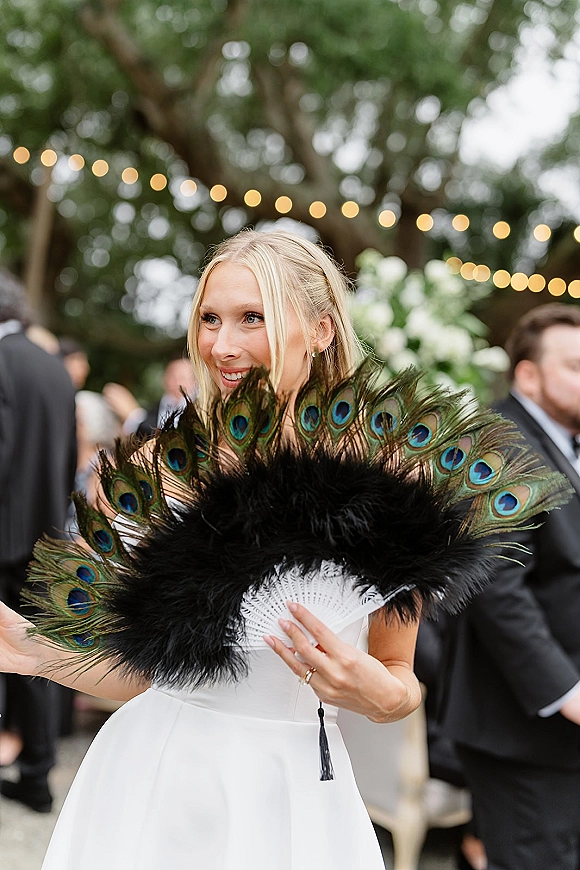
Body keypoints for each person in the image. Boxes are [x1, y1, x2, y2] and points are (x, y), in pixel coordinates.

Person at [0, 232, 566, 868]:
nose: (222, 345)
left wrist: (377, 693)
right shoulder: (161, 466)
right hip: (150, 772)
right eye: (209, 319)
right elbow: (143, 673)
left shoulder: (395, 481)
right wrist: (31, 651)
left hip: (288, 786)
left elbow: (400, 677)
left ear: (321, 329)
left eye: (252, 318)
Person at [442, 303, 580, 870]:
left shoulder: (561, 442)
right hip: (524, 727)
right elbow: (496, 584)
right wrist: (567, 693)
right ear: (528, 374)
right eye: (574, 366)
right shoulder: (500, 441)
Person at [0, 267, 77, 812]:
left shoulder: (1, 361)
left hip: (2, 535)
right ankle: (37, 774)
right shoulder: (52, 367)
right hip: (45, 535)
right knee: (34, 659)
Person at [103, 356, 198, 437]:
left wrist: (133, 417)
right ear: (164, 379)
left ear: (195, 380)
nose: (177, 383)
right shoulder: (152, 411)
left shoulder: (201, 409)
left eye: (182, 378)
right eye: (173, 377)